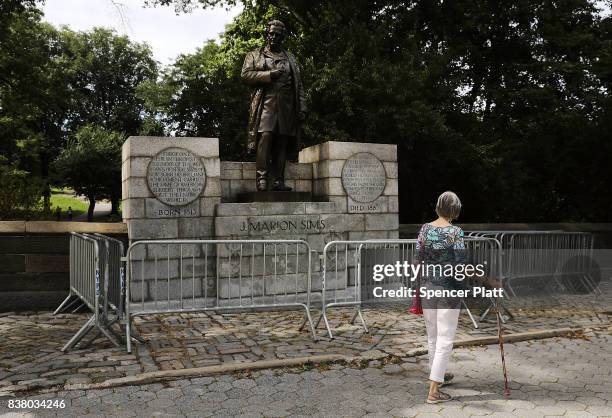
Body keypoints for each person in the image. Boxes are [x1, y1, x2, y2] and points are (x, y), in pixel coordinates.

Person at [241, 19, 307, 192]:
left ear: (282, 36)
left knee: (282, 142)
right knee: (266, 137)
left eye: (277, 34)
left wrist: (302, 106)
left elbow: (298, 85)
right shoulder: (255, 54)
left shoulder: (290, 58)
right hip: (266, 104)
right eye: (271, 33)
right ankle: (262, 179)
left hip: (287, 106)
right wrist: (269, 74)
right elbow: (246, 75)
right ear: (266, 34)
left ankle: (278, 181)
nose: (273, 37)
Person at [416, 191, 465, 404]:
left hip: (428, 288)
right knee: (445, 339)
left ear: (438, 207)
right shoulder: (456, 232)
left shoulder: (425, 229)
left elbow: (416, 261)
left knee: (433, 338)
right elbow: (461, 264)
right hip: (448, 290)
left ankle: (438, 375)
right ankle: (434, 392)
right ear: (455, 209)